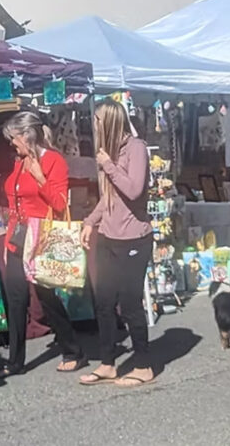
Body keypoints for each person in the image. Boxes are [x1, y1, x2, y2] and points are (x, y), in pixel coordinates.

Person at [0, 111, 84, 378]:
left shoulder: (54, 161)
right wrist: (7, 239)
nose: (12, 144)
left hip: (41, 238)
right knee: (16, 299)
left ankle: (73, 350)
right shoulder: (18, 162)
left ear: (27, 135)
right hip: (18, 238)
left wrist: (40, 178)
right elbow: (14, 203)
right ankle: (15, 360)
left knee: (46, 298)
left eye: (14, 138)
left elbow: (59, 203)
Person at [78, 100, 154, 388]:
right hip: (108, 237)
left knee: (130, 303)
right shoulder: (106, 154)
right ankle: (108, 363)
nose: (93, 126)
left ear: (109, 121)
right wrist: (90, 221)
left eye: (97, 121)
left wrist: (108, 165)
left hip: (134, 238)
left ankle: (144, 364)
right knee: (104, 301)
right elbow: (109, 197)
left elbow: (133, 190)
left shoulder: (135, 148)